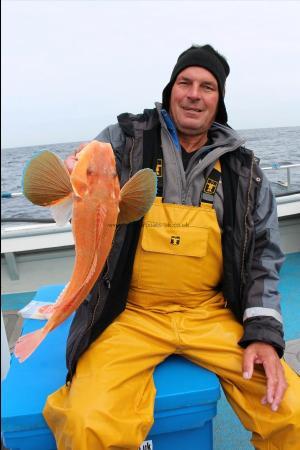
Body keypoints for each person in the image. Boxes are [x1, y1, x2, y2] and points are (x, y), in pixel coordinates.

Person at [43, 44, 300, 449]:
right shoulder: (122, 140)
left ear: (219, 101)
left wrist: (264, 335)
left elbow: (263, 256)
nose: (194, 93)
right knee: (87, 421)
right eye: (185, 82)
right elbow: (67, 186)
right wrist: (69, 171)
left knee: (293, 411)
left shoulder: (244, 169)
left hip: (210, 313)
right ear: (170, 90)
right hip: (130, 313)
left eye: (207, 86)